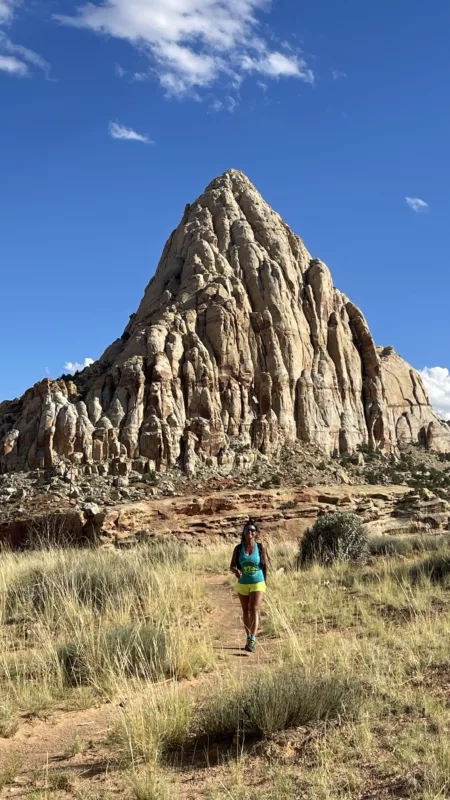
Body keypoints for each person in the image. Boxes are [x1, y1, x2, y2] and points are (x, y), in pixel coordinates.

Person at [230, 520, 268, 653]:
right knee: (245, 610)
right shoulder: (238, 548)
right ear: (244, 533)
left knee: (254, 609)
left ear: (256, 533)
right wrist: (236, 571)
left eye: (252, 530)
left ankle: (252, 639)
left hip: (258, 581)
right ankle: (249, 636)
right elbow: (232, 565)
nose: (250, 532)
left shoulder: (260, 547)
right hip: (243, 583)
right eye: (247, 530)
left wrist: (265, 582)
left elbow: (265, 566)